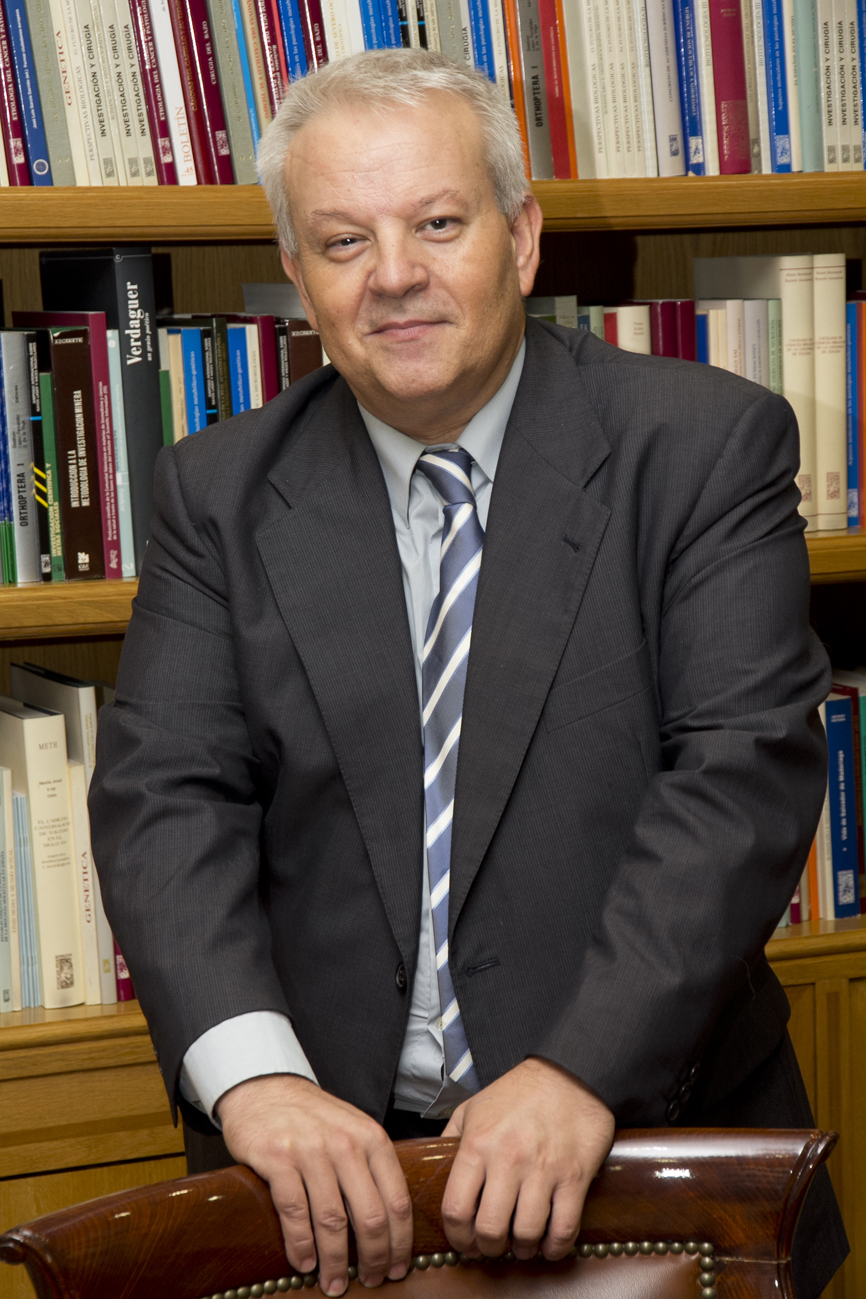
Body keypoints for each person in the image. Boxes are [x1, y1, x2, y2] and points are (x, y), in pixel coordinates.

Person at [89, 47, 847, 1299]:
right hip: (328, 1180)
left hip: (650, 1148)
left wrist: (582, 1065)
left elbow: (737, 778)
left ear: (521, 237)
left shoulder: (700, 448)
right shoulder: (215, 493)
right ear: (296, 275)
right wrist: (255, 1081)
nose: (393, 274)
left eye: (437, 224)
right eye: (342, 241)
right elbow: (164, 799)